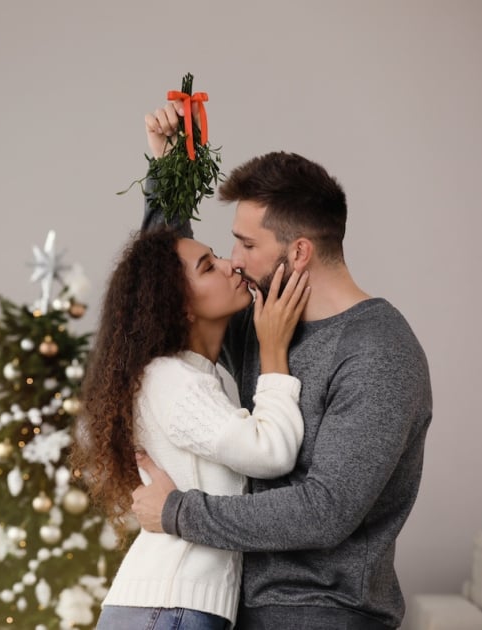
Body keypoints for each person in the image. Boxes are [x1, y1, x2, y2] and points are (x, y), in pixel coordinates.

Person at [131, 101, 433, 629]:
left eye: (247, 244)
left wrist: (179, 512)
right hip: (236, 609)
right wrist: (169, 174)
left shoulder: (379, 350)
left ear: (297, 253)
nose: (234, 259)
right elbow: (174, 286)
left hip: (322, 615)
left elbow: (325, 510)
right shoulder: (257, 323)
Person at [70, 225, 311, 630]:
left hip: (169, 607)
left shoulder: (191, 377)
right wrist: (273, 353)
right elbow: (272, 452)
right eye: (207, 267)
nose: (231, 265)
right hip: (170, 608)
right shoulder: (173, 380)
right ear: (179, 305)